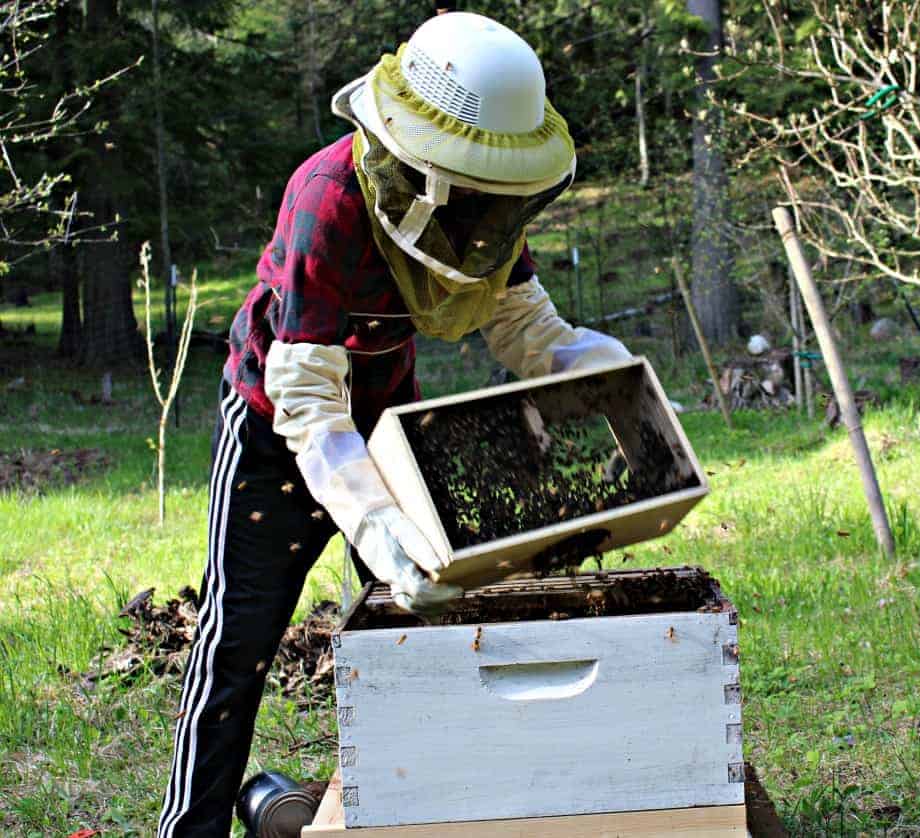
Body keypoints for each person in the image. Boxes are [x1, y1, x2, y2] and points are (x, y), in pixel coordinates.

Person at [156, 11, 630, 836]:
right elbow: (308, 400)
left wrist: (613, 380)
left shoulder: (480, 210)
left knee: (423, 629)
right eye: (476, 195)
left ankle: (415, 813)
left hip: (387, 423)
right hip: (276, 425)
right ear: (417, 164)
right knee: (237, 643)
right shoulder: (327, 196)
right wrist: (372, 520)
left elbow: (527, 329)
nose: (485, 215)